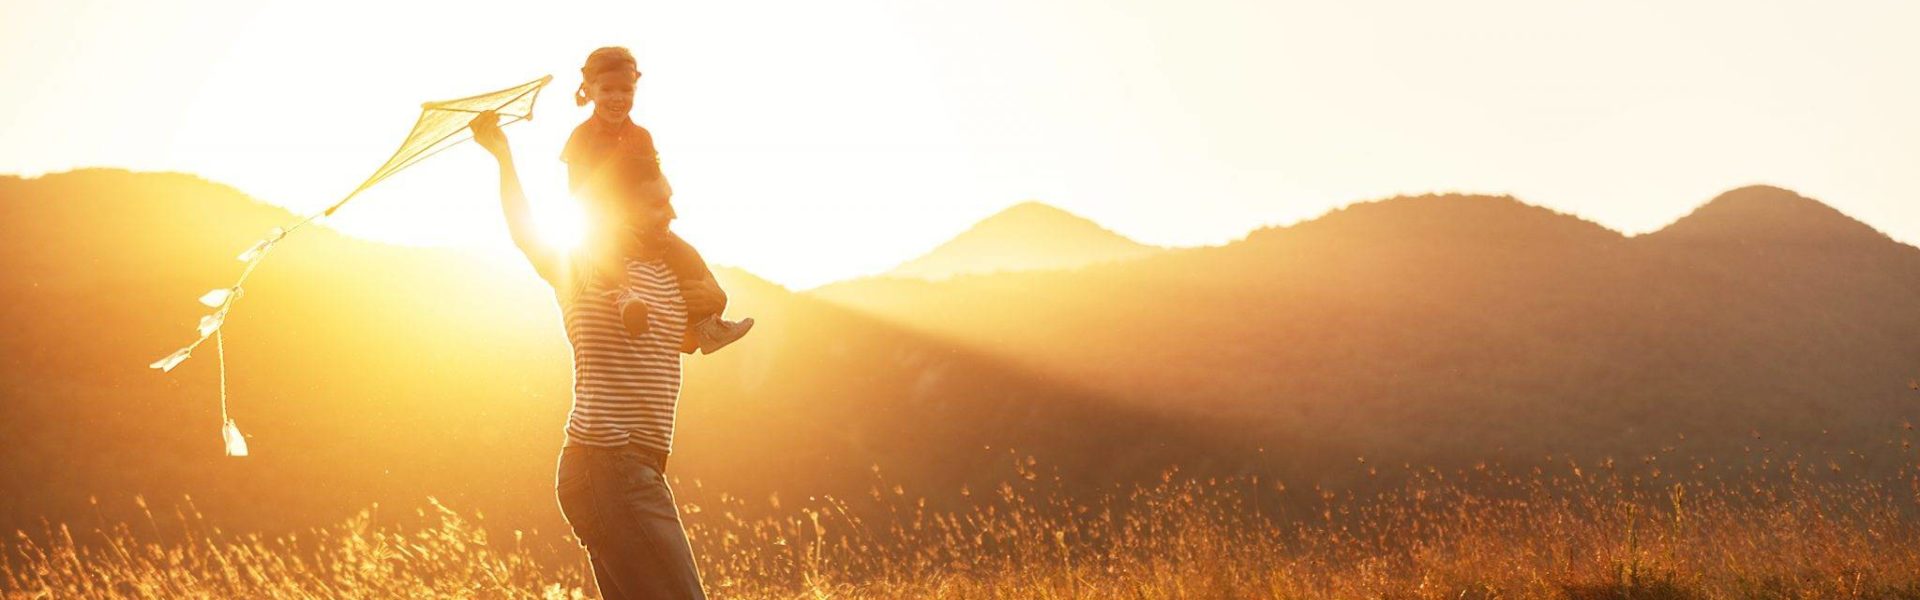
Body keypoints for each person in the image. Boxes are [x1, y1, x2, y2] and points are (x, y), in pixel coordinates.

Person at [471, 108, 711, 599]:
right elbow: (527, 232)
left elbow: (683, 342)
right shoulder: (586, 271)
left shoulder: (669, 275)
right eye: (656, 205)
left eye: (670, 201)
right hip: (608, 462)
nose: (672, 213)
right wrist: (503, 157)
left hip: (637, 464)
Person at [568, 46, 751, 355]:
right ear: (589, 89)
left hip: (641, 218)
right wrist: (609, 218)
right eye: (607, 89)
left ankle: (706, 325)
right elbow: (578, 190)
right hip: (603, 221)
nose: (617, 97)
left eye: (626, 89)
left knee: (686, 255)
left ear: (636, 88)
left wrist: (653, 215)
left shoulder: (641, 136)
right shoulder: (582, 137)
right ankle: (624, 296)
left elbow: (654, 180)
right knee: (606, 246)